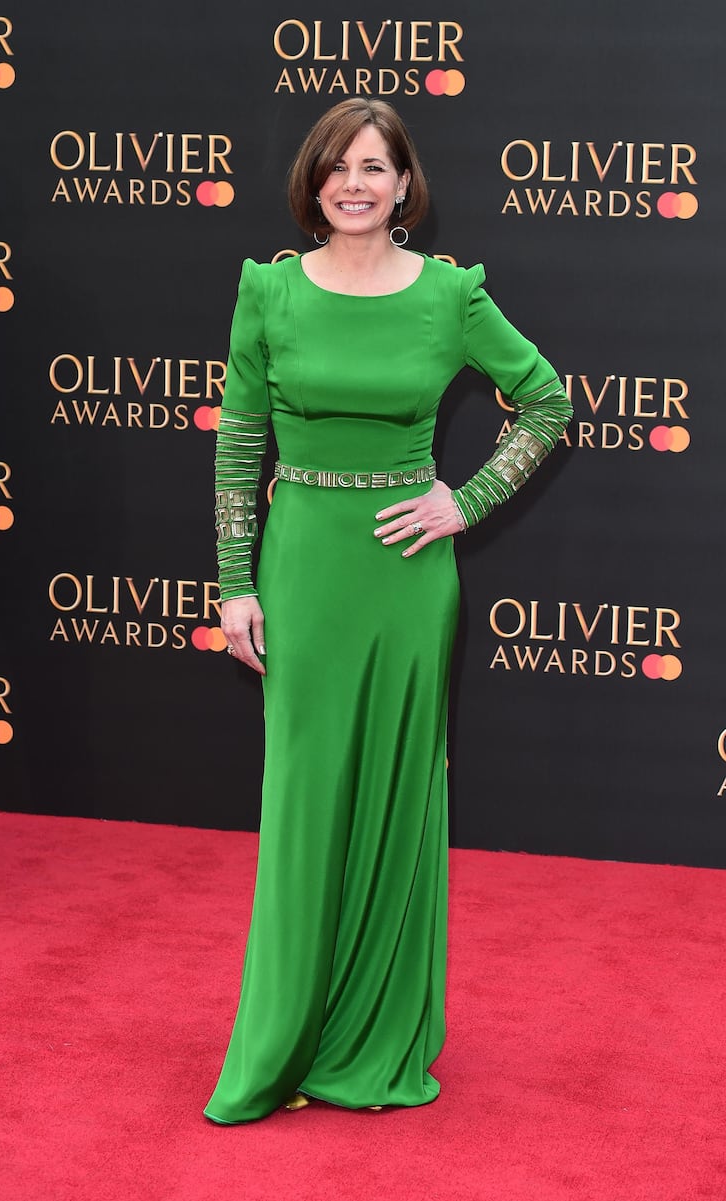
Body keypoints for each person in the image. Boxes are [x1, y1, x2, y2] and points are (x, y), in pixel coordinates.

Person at [204, 98, 572, 1125]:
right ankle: (282, 1038)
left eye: (374, 166)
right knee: (304, 797)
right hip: (303, 566)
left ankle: (373, 1037)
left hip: (407, 578)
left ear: (405, 185)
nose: (354, 183)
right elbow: (239, 442)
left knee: (398, 797)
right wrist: (236, 579)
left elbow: (545, 401)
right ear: (311, 183)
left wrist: (468, 497)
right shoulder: (269, 292)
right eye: (336, 167)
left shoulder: (449, 298)